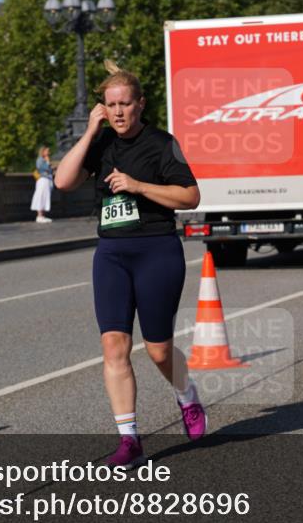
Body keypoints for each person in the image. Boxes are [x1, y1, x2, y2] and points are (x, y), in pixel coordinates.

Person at [54, 60, 204, 468]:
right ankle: (129, 439)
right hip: (112, 253)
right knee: (113, 345)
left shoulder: (161, 142)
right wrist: (89, 132)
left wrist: (137, 185)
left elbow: (191, 197)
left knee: (157, 351)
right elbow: (62, 182)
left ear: (140, 104)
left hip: (156, 250)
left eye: (125, 104)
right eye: (110, 105)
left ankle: (187, 396)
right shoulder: (100, 144)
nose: (118, 112)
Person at [30, 146, 55, 223]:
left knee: (45, 197)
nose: (49, 152)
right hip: (43, 180)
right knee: (41, 197)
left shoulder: (44, 159)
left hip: (47, 180)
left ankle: (42, 215)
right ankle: (39, 216)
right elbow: (45, 168)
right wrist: (48, 162)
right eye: (47, 151)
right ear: (43, 152)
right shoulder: (40, 160)